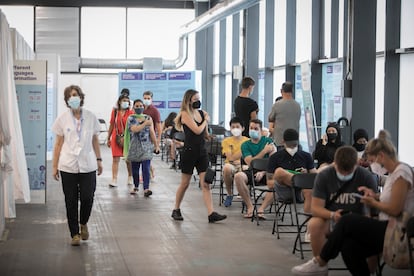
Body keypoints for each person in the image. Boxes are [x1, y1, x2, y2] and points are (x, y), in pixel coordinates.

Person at [292, 145, 380, 276]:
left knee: (374, 232)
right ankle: (320, 266)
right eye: (341, 170)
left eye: (348, 171)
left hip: (358, 220)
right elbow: (316, 208)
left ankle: (370, 270)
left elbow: (375, 212)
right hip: (330, 219)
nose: (344, 174)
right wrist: (332, 215)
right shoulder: (325, 175)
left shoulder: (366, 177)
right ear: (335, 164)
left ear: (356, 165)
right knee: (314, 224)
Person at [52, 85, 103, 246]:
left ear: (81, 97)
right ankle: (74, 233)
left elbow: (95, 139)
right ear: (67, 101)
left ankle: (83, 223)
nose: (73, 98)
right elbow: (58, 144)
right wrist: (54, 166)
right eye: (70, 96)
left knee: (88, 197)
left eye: (75, 95)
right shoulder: (62, 119)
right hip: (68, 165)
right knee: (71, 200)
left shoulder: (91, 117)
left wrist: (99, 159)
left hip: (88, 164)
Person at [171, 89, 227, 223]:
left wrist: (210, 134)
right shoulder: (185, 114)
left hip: (201, 152)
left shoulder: (201, 113)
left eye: (198, 99)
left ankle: (211, 213)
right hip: (189, 152)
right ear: (189, 100)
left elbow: (204, 133)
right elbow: (196, 130)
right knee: (185, 183)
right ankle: (176, 209)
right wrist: (205, 120)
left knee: (205, 183)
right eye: (195, 99)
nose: (198, 101)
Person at [266, 129, 317, 217]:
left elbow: (314, 177)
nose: (292, 148)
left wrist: (306, 174)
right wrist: (285, 178)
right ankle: (298, 180)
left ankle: (309, 224)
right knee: (280, 172)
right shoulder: (275, 157)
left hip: (302, 191)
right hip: (284, 190)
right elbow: (270, 183)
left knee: (309, 190)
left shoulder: (306, 156)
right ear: (283, 142)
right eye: (290, 145)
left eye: (294, 145)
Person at [234, 119, 277, 218]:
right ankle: (250, 207)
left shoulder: (268, 141)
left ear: (261, 131)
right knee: (238, 176)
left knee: (277, 181)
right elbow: (250, 162)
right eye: (251, 128)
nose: (253, 130)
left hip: (267, 172)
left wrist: (263, 172)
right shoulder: (245, 145)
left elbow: (274, 162)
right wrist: (264, 151)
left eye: (256, 128)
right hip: (252, 170)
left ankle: (261, 209)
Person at [124, 99, 160, 196]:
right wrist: (144, 124)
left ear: (143, 107)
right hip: (134, 147)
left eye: (141, 106)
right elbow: (135, 129)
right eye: (137, 106)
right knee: (135, 170)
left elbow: (152, 132)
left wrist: (156, 145)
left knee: (146, 168)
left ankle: (146, 189)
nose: (139, 107)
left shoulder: (148, 118)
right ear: (133, 107)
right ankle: (136, 186)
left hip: (146, 147)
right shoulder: (131, 118)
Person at [107, 94, 134, 187]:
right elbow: (111, 124)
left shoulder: (131, 112)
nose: (125, 102)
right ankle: (114, 179)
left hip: (127, 137)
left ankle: (130, 176)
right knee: (115, 159)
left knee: (128, 159)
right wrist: (108, 137)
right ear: (119, 102)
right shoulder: (115, 111)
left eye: (127, 101)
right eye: (124, 100)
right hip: (116, 136)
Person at [221, 117, 249, 207]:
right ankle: (229, 194)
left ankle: (245, 195)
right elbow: (230, 157)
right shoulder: (226, 141)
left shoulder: (247, 141)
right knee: (226, 168)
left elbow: (249, 157)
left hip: (244, 164)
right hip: (231, 164)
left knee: (247, 169)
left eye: (237, 126)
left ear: (243, 128)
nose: (235, 129)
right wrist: (243, 149)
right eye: (233, 127)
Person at [268, 81, 301, 150]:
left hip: (280, 141)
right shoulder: (298, 105)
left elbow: (270, 118)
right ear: (292, 91)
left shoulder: (277, 105)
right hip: (294, 142)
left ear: (281, 91)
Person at [143, 90, 162, 178]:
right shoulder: (140, 108)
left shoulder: (155, 111)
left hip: (150, 137)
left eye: (148, 98)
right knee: (141, 156)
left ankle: (148, 172)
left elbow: (158, 126)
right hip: (140, 137)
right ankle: (150, 169)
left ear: (151, 99)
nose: (146, 100)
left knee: (147, 157)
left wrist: (158, 139)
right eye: (145, 98)